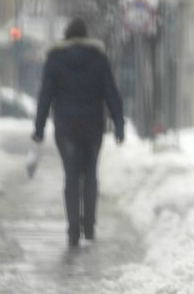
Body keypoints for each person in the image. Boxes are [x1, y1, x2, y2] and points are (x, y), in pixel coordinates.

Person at [33, 18, 125, 247]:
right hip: (93, 125)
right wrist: (119, 124)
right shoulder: (98, 59)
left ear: (66, 36)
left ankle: (73, 228)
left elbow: (45, 96)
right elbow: (111, 93)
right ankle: (90, 227)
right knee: (91, 175)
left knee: (71, 176)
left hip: (66, 127)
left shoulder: (54, 60)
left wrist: (39, 128)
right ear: (85, 36)